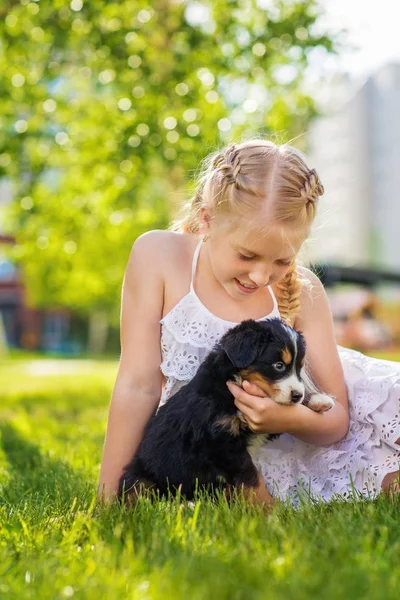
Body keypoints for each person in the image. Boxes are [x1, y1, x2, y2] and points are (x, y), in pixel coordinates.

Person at [98, 139, 400, 507]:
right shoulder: (159, 256)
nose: (260, 276)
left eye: (281, 262)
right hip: (228, 449)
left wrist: (287, 419)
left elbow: (337, 422)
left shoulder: (306, 292)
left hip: (305, 430)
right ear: (207, 219)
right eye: (246, 255)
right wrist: (109, 497)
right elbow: (137, 386)